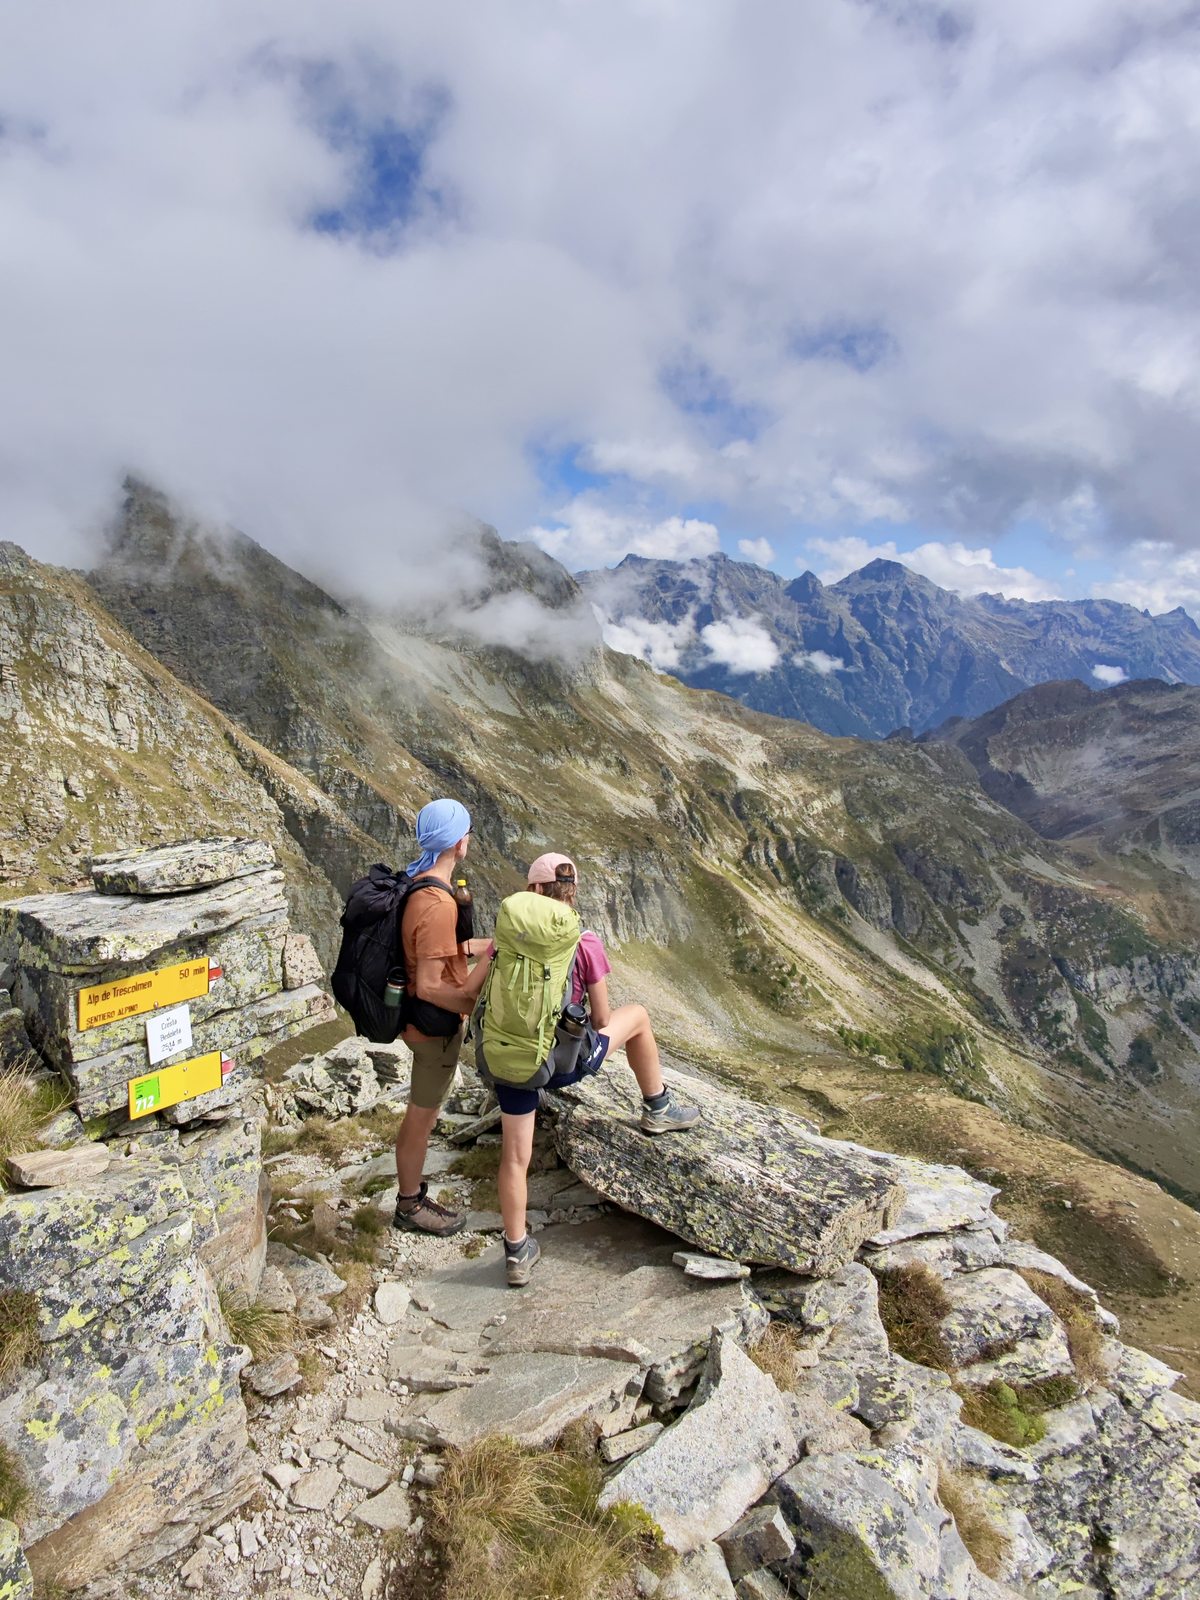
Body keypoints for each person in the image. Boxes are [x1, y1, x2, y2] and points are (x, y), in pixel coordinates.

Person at [495, 852, 701, 1286]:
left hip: (509, 1061)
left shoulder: (507, 937)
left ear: (533, 890)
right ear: (572, 891)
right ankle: (658, 1107)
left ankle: (516, 1251)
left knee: (515, 1158)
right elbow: (604, 1018)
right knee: (639, 1016)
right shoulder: (584, 940)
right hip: (560, 1064)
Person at [392, 798, 493, 1236]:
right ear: (457, 842)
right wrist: (476, 1007)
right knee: (422, 1114)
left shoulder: (421, 882)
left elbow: (424, 953)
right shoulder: (438, 904)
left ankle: (411, 1194)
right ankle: (409, 1204)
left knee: (424, 1111)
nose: (468, 838)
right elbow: (431, 986)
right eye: (466, 831)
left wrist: (472, 949)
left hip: (422, 1021)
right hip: (432, 1029)